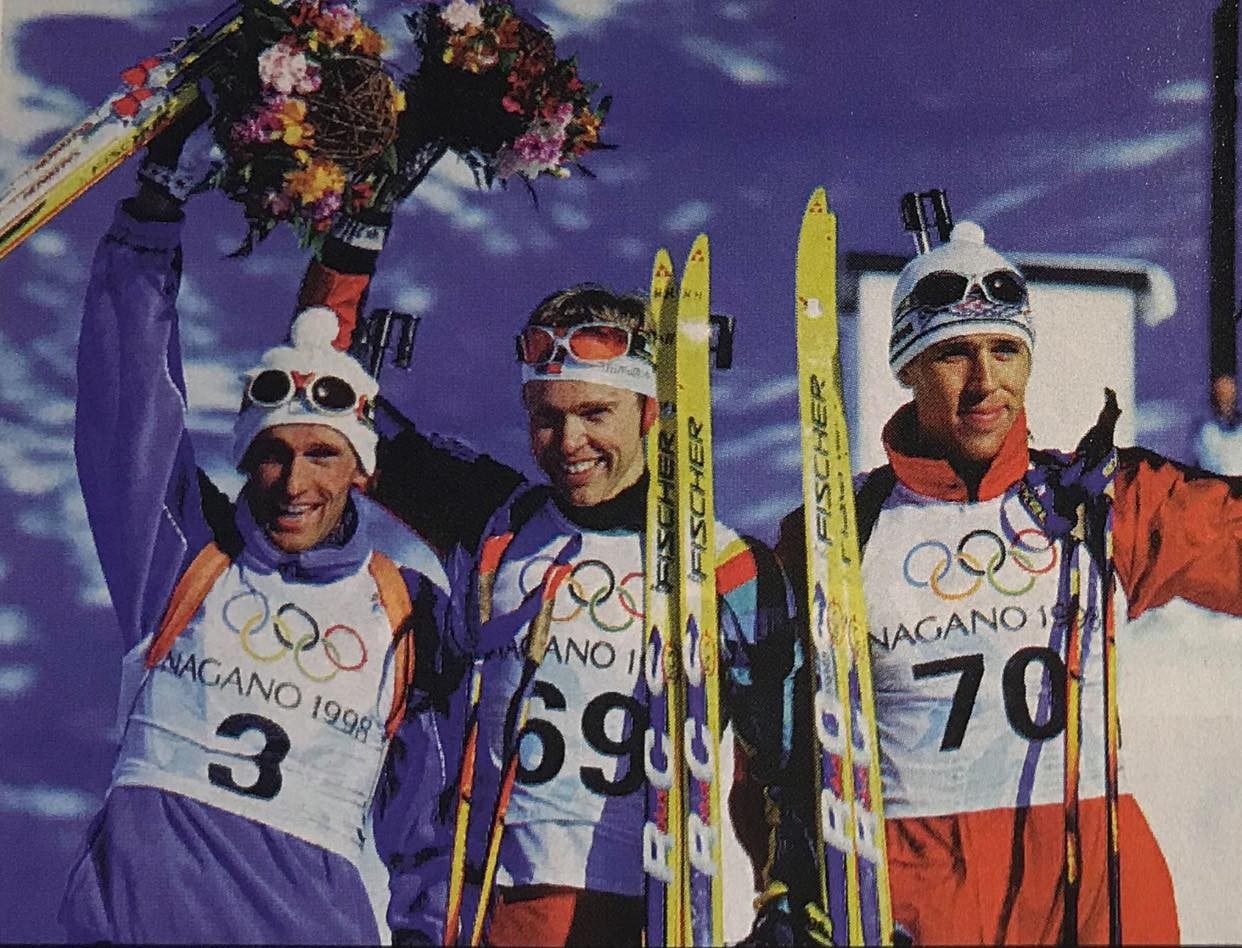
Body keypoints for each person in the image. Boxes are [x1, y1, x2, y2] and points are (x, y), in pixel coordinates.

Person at [296, 224, 798, 945]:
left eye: (596, 414)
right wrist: (356, 232)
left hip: (640, 913)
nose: (569, 445)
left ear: (651, 412)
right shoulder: (492, 517)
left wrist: (783, 912)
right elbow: (322, 392)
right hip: (481, 906)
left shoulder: (729, 568)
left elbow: (791, 769)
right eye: (546, 418)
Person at [772, 219, 1242, 944]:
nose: (985, 381)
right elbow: (783, 739)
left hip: (1090, 886)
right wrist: (793, 884)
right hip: (917, 891)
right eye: (953, 354)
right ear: (907, 367)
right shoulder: (841, 528)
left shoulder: (1097, 500)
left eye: (1005, 350)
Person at [59, 117, 456, 944]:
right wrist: (154, 213)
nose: (295, 483)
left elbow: (432, 816)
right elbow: (127, 403)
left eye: (322, 455)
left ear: (360, 469)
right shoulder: (183, 555)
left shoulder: (402, 607)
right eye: (272, 455)